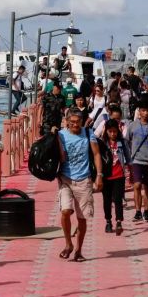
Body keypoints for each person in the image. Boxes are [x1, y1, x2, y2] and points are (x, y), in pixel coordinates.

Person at [56, 110, 104, 261]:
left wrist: (99, 176)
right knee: (65, 211)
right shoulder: (61, 135)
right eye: (73, 122)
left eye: (78, 121)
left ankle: (78, 250)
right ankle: (68, 244)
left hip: (84, 180)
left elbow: (96, 154)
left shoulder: (89, 133)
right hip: (66, 179)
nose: (76, 125)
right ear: (67, 121)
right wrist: (55, 137)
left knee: (82, 218)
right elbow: (59, 156)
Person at [126, 98, 148, 222]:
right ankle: (138, 211)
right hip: (136, 161)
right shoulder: (132, 125)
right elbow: (126, 141)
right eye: (143, 110)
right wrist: (128, 157)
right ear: (139, 111)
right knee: (137, 185)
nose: (145, 113)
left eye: (147, 111)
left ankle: (147, 211)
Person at [100, 119, 130, 236]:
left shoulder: (122, 143)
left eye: (115, 131)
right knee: (106, 200)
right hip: (106, 176)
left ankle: (118, 222)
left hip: (119, 175)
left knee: (118, 199)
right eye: (110, 131)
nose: (113, 134)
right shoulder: (102, 144)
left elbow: (128, 158)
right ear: (106, 131)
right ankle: (108, 221)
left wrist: (130, 174)